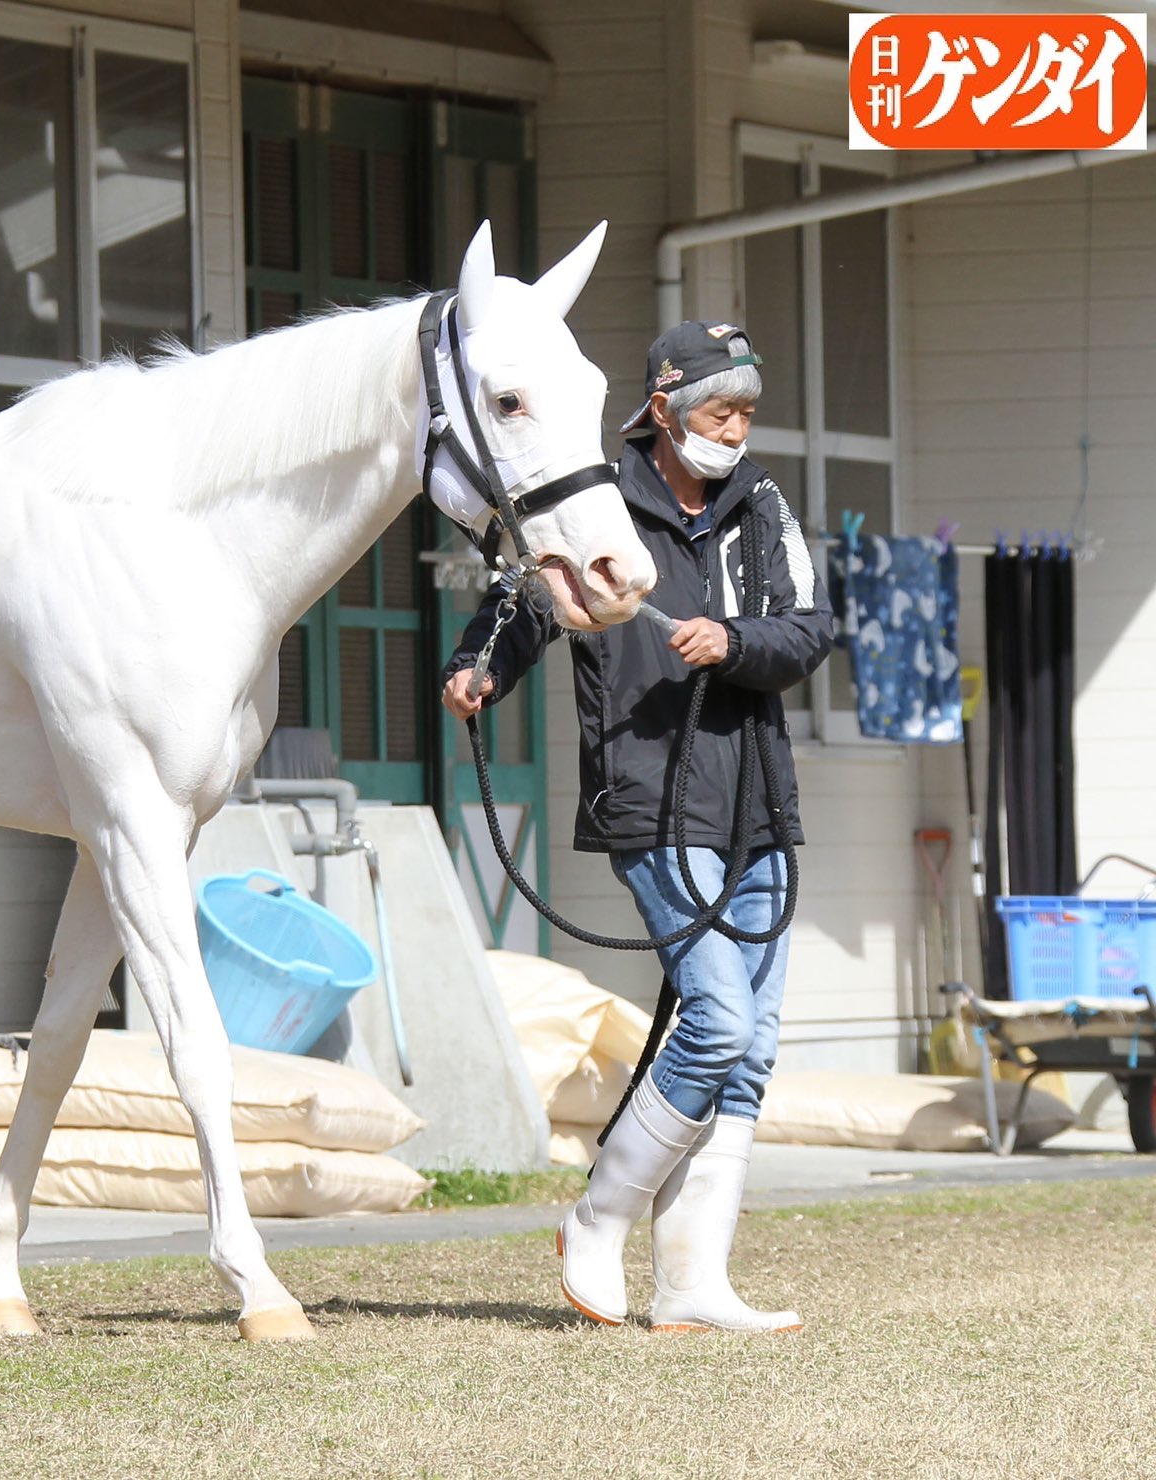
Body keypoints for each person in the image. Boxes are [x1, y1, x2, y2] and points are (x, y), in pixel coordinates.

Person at [440, 321, 833, 1333]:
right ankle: (598, 1214)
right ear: (663, 407)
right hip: (648, 796)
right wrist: (479, 665)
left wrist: (735, 639)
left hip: (756, 802)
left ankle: (691, 1281)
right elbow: (528, 601)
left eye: (745, 413)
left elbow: (808, 627)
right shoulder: (600, 493)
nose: (735, 429)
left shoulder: (761, 502)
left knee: (748, 1052)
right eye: (717, 411)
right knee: (717, 1019)